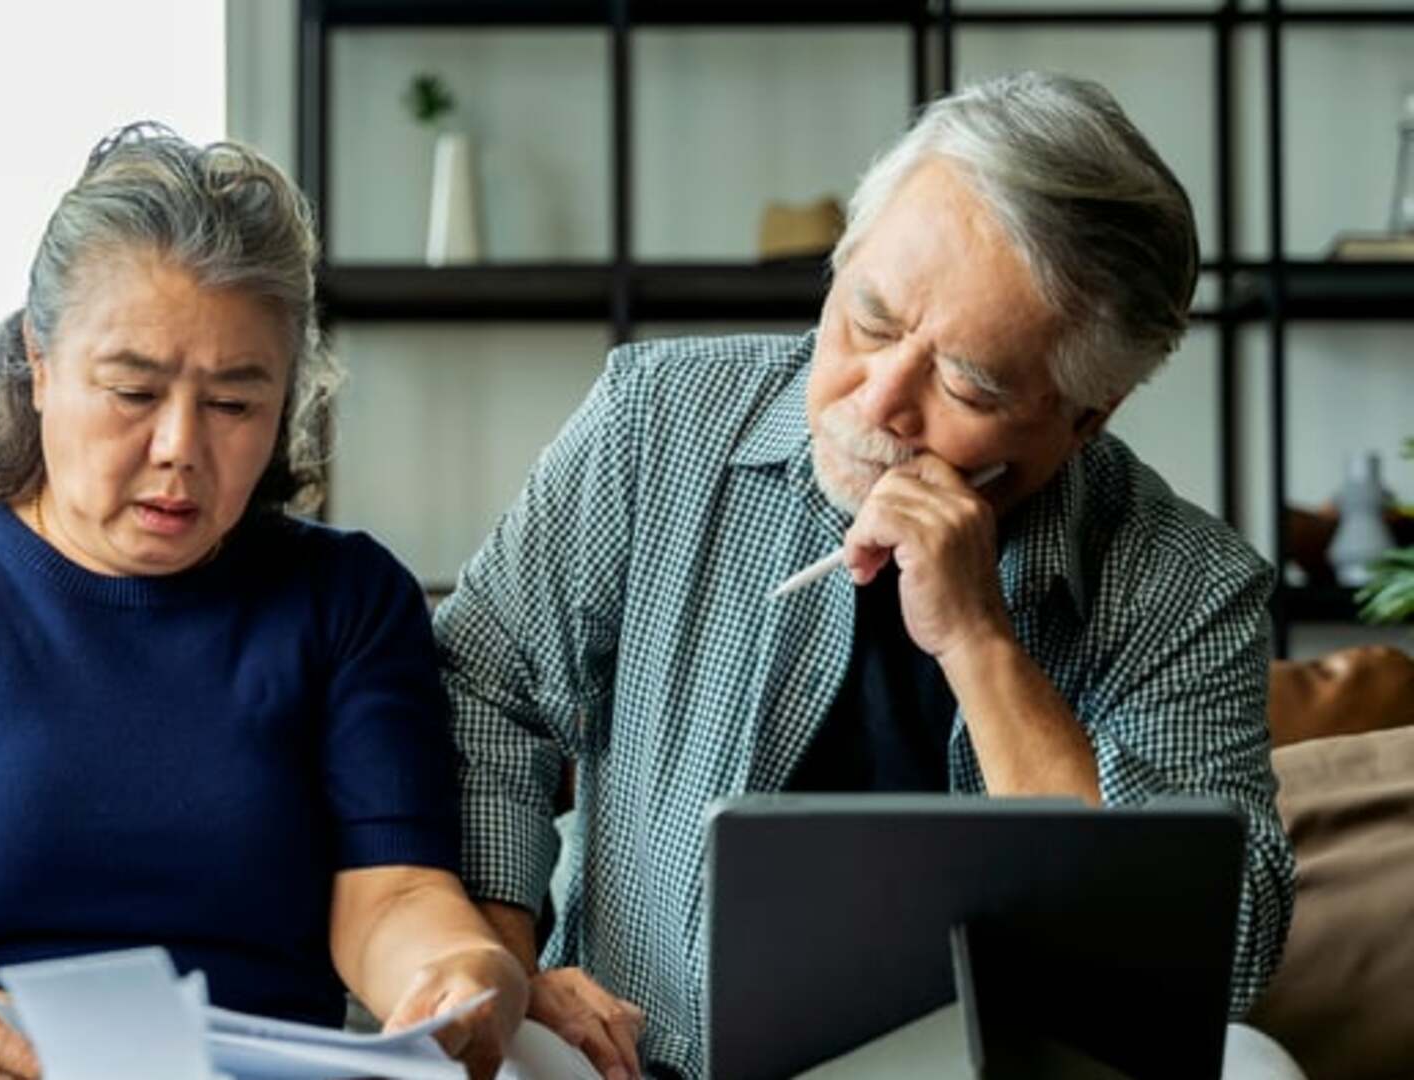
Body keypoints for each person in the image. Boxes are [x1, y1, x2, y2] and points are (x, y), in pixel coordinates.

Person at [435, 73, 1296, 1078]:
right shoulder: (653, 421)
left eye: (967, 382)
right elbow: (482, 687)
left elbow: (1220, 955)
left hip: (1008, 1066)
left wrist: (980, 643)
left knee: (1252, 1063)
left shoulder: (1187, 584)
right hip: (637, 1052)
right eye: (872, 321)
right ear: (844, 258)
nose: (881, 398)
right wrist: (509, 955)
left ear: (1082, 420)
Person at [0, 124, 527, 1080]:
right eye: (133, 390)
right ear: (38, 365)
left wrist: (455, 973)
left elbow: (394, 895)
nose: (179, 446)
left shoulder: (347, 601)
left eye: (235, 405)